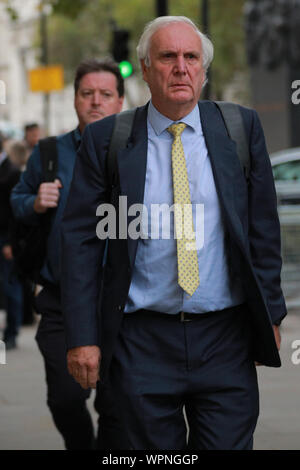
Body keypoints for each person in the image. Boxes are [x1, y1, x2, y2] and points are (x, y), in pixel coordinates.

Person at [60, 17, 287, 450]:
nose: (181, 67)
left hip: (225, 338)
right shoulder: (109, 139)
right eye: (168, 57)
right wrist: (83, 336)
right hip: (140, 340)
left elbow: (263, 231)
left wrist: (270, 315)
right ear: (145, 69)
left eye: (191, 57)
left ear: (203, 69)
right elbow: (81, 244)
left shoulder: (240, 129)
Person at [11, 59, 127, 450]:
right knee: (64, 398)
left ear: (120, 101)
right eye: (87, 94)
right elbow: (16, 200)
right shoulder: (48, 153)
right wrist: (35, 203)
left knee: (120, 407)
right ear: (75, 99)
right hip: (61, 299)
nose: (96, 102)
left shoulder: (138, 149)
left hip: (122, 303)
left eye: (106, 95)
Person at [0, 133, 23, 350]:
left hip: (5, 239)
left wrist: (10, 242)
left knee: (10, 285)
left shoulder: (12, 172)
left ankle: (12, 332)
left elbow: (14, 211)